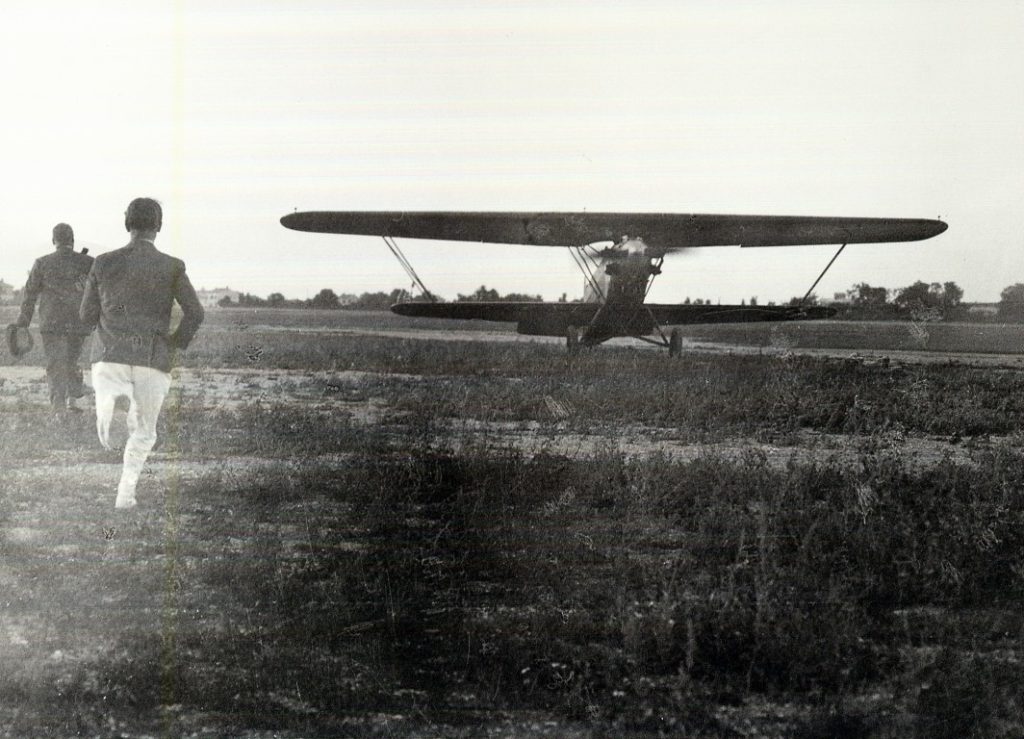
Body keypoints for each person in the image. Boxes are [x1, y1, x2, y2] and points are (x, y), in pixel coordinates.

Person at [80, 197, 205, 509]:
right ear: (158, 226)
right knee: (145, 431)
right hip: (153, 358)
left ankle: (111, 402)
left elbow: (85, 316)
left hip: (110, 355)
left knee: (106, 419)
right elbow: (196, 312)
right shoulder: (173, 266)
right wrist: (176, 342)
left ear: (127, 224)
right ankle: (125, 495)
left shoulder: (102, 262)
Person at [14, 223, 94, 414]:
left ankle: (59, 407)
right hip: (78, 323)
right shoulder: (87, 262)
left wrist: (22, 324)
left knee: (55, 363)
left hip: (51, 323)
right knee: (72, 361)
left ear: (53, 241)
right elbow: (96, 293)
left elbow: (30, 295)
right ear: (72, 241)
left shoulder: (42, 263)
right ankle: (73, 400)